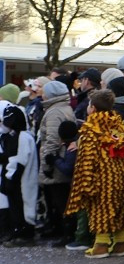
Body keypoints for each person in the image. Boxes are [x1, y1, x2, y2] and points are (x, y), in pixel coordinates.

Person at [65, 90, 124, 258]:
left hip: (102, 179)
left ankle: (101, 244)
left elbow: (87, 159)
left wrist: (85, 182)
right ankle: (121, 243)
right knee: (120, 210)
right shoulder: (119, 125)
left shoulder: (91, 129)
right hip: (122, 177)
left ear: (93, 108)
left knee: (101, 210)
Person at [37, 80, 75, 246]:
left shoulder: (54, 112)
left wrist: (47, 164)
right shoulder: (64, 108)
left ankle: (67, 233)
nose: (42, 94)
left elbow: (51, 140)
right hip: (61, 158)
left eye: (44, 92)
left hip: (56, 162)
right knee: (61, 199)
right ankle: (64, 230)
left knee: (60, 200)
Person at [1, 105, 39, 246]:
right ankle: (19, 231)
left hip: (21, 180)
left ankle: (25, 234)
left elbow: (20, 160)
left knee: (23, 205)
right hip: (16, 179)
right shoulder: (15, 136)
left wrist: (11, 178)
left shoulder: (23, 137)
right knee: (16, 206)